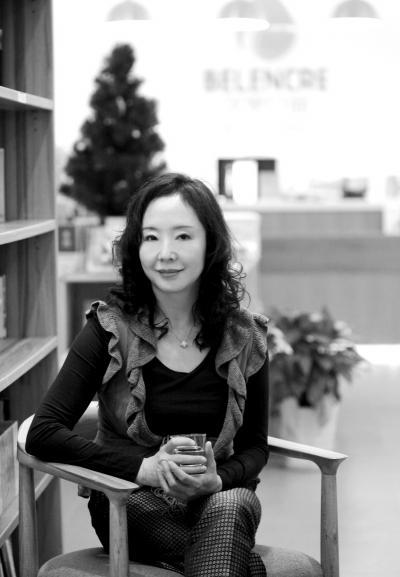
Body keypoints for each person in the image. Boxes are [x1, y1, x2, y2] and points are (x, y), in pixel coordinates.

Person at [26, 172, 270, 577]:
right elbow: (43, 431)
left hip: (216, 499)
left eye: (183, 236)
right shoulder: (110, 328)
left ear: (211, 243)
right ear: (136, 247)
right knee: (231, 544)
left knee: (231, 505)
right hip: (129, 498)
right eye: (151, 237)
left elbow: (255, 447)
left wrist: (216, 481)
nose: (165, 253)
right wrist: (145, 470)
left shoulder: (244, 335)